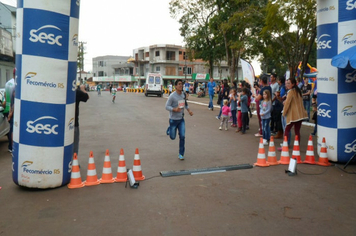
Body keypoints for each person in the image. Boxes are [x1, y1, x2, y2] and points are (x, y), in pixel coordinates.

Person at [165, 79, 193, 160]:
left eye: (182, 84)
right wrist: (174, 109)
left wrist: (189, 110)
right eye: (179, 84)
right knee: (172, 137)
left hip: (181, 119)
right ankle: (170, 128)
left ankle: (181, 153)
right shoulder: (172, 96)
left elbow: (185, 104)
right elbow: (166, 106)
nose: (181, 86)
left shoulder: (183, 94)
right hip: (173, 120)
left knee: (182, 136)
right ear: (176, 86)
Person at [282, 78, 308, 145]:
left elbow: (287, 103)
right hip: (300, 114)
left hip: (294, 115)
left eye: (289, 83)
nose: (287, 85)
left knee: (287, 130)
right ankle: (297, 146)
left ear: (293, 84)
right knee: (297, 131)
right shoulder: (297, 91)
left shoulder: (291, 92)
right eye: (287, 83)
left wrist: (284, 113)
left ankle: (285, 145)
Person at [74, 84, 89, 156]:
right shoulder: (76, 92)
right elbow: (86, 97)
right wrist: (83, 89)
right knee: (74, 144)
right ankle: (74, 161)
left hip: (59, 123)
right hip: (73, 123)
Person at [2, 68, 15, 153]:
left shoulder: (8, 83)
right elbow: (14, 101)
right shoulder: (15, 84)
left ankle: (10, 146)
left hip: (7, 109)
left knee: (11, 129)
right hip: (12, 110)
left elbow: (5, 99)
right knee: (13, 129)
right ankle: (11, 147)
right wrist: (11, 113)